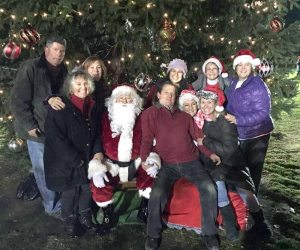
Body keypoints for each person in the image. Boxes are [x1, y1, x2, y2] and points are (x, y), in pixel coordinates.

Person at [140, 82, 219, 250]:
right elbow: (146, 139)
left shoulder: (184, 116)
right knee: (157, 193)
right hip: (167, 164)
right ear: (159, 95)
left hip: (191, 162)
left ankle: (209, 233)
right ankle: (153, 234)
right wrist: (144, 160)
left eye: (172, 93)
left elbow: (198, 139)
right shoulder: (151, 114)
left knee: (209, 188)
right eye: (166, 93)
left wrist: (210, 153)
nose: (169, 96)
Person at [198, 90, 273, 245]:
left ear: (216, 104)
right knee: (216, 185)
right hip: (215, 163)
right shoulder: (200, 121)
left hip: (233, 161)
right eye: (203, 102)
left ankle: (260, 221)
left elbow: (229, 148)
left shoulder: (225, 120)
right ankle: (226, 222)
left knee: (244, 189)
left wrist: (205, 141)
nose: (205, 106)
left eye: (209, 102)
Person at [10, 34, 68, 219]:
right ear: (47, 50)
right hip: (38, 130)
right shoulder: (31, 68)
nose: (58, 54)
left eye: (62, 51)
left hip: (57, 130)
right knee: (42, 170)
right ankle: (51, 206)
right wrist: (29, 126)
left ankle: (60, 198)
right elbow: (18, 101)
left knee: (57, 167)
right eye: (55, 49)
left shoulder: (64, 70)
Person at [88, 85, 157, 233]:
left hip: (137, 161)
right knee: (99, 182)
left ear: (135, 101)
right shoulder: (105, 117)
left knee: (151, 177)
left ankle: (145, 208)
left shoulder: (143, 116)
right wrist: (97, 165)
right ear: (113, 101)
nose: (125, 100)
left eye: (128, 98)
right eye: (121, 98)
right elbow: (98, 140)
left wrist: (152, 160)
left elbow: (150, 139)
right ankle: (107, 213)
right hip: (112, 163)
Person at [43, 70, 103, 237]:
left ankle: (85, 216)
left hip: (86, 157)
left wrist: (98, 152)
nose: (82, 87)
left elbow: (96, 133)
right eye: (78, 84)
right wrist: (75, 159)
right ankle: (69, 220)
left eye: (85, 84)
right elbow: (56, 139)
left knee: (86, 189)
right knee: (69, 191)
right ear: (70, 87)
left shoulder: (91, 105)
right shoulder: (60, 106)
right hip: (66, 160)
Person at [178, 90, 239, 241]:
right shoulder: (184, 120)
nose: (192, 108)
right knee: (212, 182)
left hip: (211, 159)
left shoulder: (206, 119)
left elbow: (208, 142)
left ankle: (229, 224)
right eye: (187, 105)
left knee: (218, 182)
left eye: (194, 104)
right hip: (189, 161)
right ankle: (220, 226)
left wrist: (206, 145)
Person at [225, 49, 274, 195]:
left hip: (257, 135)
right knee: (241, 169)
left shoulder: (257, 86)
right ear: (235, 67)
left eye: (247, 65)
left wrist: (238, 120)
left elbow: (263, 113)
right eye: (240, 65)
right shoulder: (233, 82)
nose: (243, 68)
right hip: (241, 133)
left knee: (252, 171)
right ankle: (241, 200)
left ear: (252, 67)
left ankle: (252, 205)